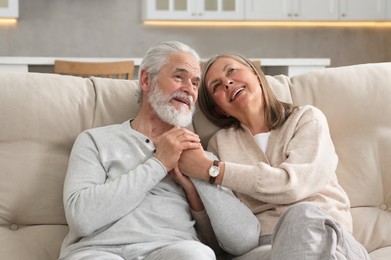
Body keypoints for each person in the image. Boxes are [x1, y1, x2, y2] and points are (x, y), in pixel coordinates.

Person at [58, 42, 260, 260]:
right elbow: (82, 219)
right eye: (179, 77)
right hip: (98, 251)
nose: (189, 89)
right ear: (146, 80)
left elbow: (244, 240)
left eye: (194, 83)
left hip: (171, 251)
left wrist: (201, 174)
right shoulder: (96, 140)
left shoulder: (200, 157)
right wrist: (159, 163)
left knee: (196, 254)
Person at [178, 53, 370, 259]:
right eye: (216, 85)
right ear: (220, 109)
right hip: (264, 248)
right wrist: (193, 187)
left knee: (301, 214)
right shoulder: (219, 144)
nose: (227, 82)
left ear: (256, 75)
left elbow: (293, 186)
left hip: (326, 236)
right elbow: (220, 225)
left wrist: (214, 170)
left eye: (231, 71)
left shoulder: (306, 119)